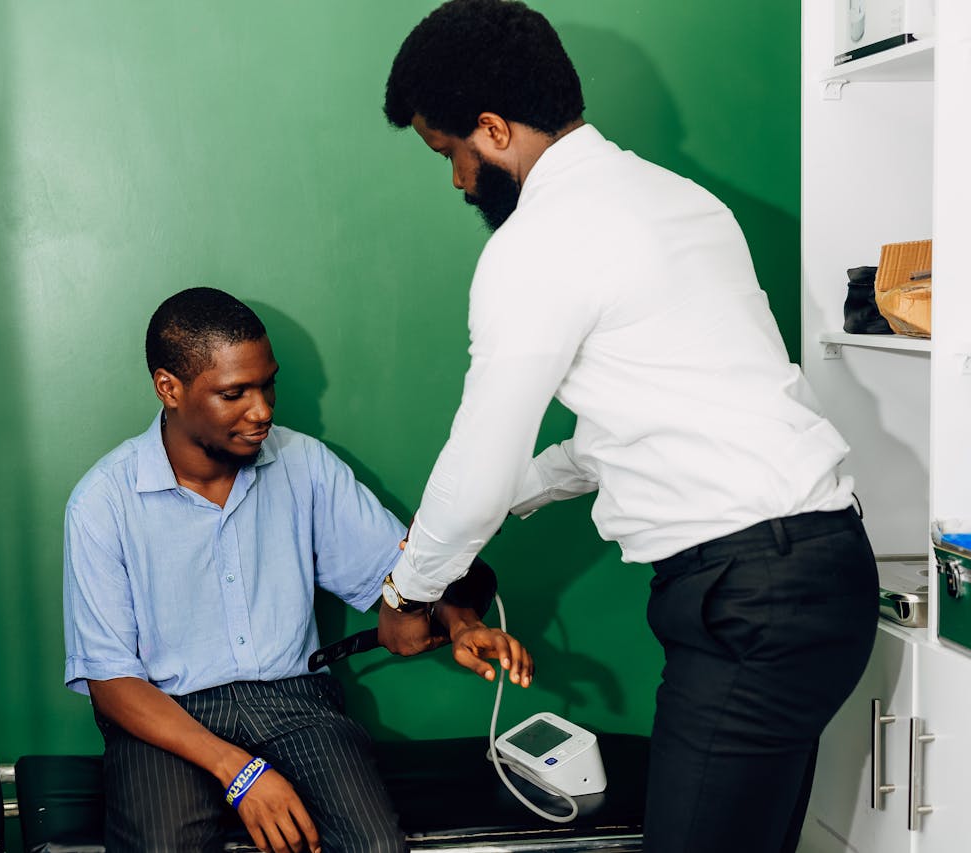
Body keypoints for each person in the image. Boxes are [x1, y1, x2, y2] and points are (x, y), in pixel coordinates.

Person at [375, 3, 879, 852]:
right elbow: (627, 434)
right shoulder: (681, 203)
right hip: (827, 574)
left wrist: (408, 593)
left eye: (450, 153)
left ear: (492, 131)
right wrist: (523, 498)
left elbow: (476, 468)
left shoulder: (535, 244)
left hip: (745, 598)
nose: (458, 181)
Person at [63, 286, 533, 853]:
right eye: (234, 393)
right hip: (166, 715)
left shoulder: (303, 464)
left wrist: (460, 624)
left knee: (376, 848)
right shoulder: (103, 502)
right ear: (170, 388)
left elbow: (402, 574)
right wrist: (240, 773)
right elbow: (110, 682)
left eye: (268, 384)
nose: (262, 410)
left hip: (295, 703)